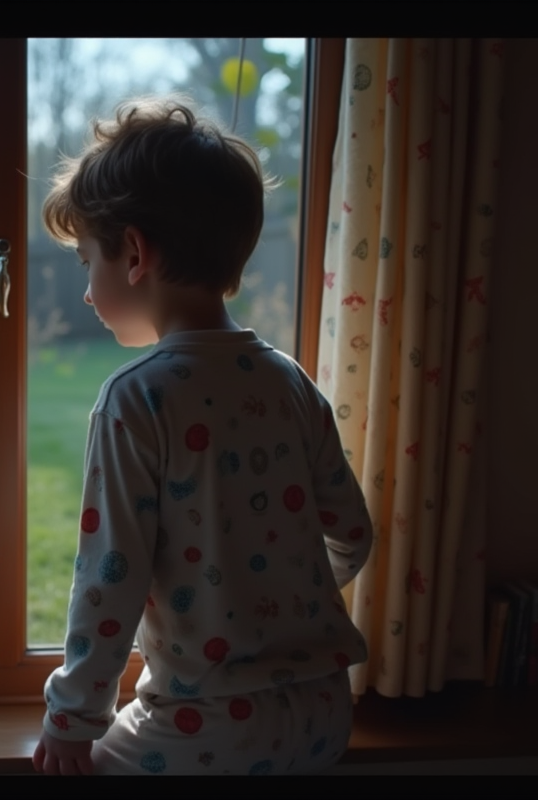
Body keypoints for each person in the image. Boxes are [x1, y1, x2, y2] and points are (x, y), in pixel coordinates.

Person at [31, 95, 373, 776]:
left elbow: (109, 582)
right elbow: (352, 535)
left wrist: (72, 720)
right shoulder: (289, 381)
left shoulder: (137, 397)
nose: (88, 293)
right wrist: (274, 593)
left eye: (86, 264)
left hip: (206, 727)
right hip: (324, 714)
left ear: (134, 254)